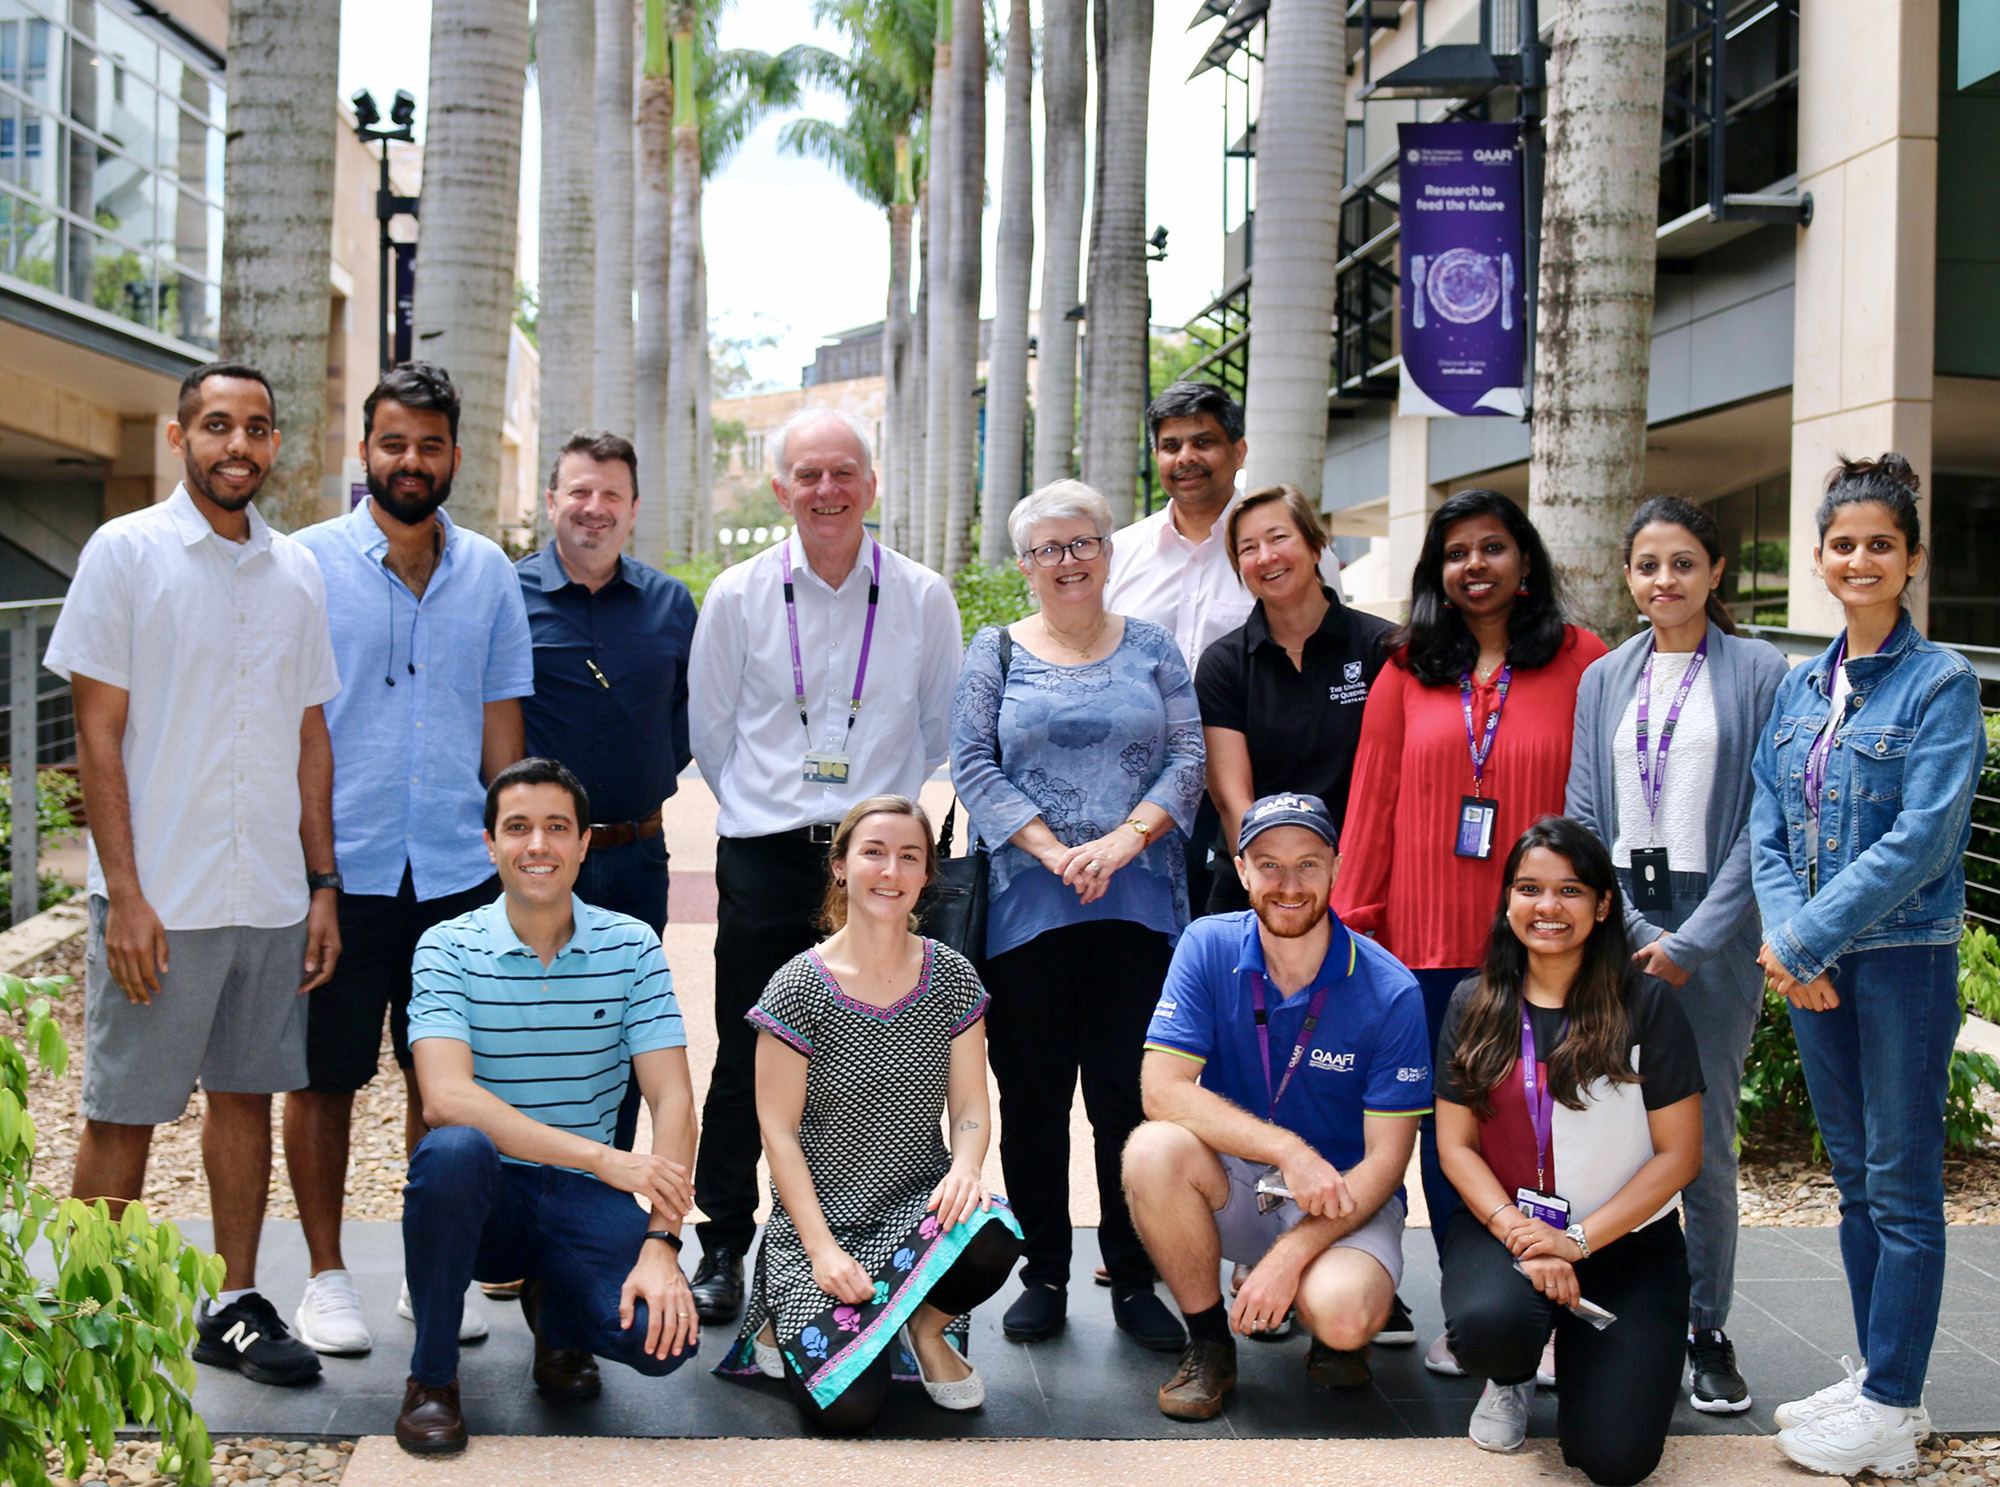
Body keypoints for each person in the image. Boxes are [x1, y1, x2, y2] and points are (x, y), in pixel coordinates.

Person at [48, 361, 337, 1388]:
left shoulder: (296, 571)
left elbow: (311, 738)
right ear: (181, 438)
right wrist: (125, 893)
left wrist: (320, 885)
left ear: (272, 444)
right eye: (218, 425)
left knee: (246, 1098)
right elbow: (96, 733)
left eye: (256, 427)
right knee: (122, 1110)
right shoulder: (123, 552)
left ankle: (234, 1305)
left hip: (264, 892)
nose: (238, 445)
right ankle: (83, 1326)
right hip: (158, 896)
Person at [687, 408, 962, 1326]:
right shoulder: (737, 594)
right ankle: (723, 1238)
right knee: (744, 1046)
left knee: (878, 1055)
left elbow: (936, 726)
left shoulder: (922, 596)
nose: (828, 491)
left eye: (844, 472)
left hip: (877, 857)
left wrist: (869, 834)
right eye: (808, 476)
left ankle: (868, 1229)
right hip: (767, 854)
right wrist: (778, 809)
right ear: (781, 490)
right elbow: (712, 735)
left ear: (870, 484)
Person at [287, 361, 533, 1356]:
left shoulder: (488, 574)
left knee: (445, 1086)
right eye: (394, 442)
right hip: (338, 875)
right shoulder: (304, 564)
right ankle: (322, 1275)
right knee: (323, 1078)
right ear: (365, 449)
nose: (411, 461)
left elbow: (501, 726)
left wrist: (517, 868)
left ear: (455, 457)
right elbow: (293, 725)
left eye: (430, 445)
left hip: (455, 874)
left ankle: (431, 1268)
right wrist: (313, 878)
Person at [1749, 455, 1986, 1480]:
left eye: (1878, 544)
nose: (1858, 558)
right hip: (1816, 965)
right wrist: (1788, 935)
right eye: (1841, 543)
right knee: (1851, 1183)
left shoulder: (1940, 683)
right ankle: (1878, 1369)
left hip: (1898, 965)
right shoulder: (1802, 682)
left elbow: (1921, 841)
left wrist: (1800, 940)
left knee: (1899, 1188)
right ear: (1819, 557)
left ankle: (1890, 1406)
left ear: (1910, 558)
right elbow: (1763, 817)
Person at [1332, 488, 1607, 1369]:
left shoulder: (1580, 660)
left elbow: (1600, 806)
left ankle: (1553, 1297)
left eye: (1493, 547)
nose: (1475, 565)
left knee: (1539, 1127)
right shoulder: (1408, 666)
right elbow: (1372, 806)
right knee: (1443, 1137)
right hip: (1422, 947)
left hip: (1545, 946)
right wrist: (1352, 929)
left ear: (1525, 561)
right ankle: (1471, 1308)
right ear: (1437, 574)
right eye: (1456, 553)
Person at [950, 479, 1205, 1352]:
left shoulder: (1155, 647)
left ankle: (1134, 1276)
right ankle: (1046, 1272)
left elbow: (1188, 756)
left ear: (1107, 550)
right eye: (1047, 548)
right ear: (1024, 564)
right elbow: (973, 765)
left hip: (1137, 910)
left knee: (1127, 1101)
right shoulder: (995, 651)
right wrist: (1057, 851)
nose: (1066, 561)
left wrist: (1124, 843)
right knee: (1031, 1101)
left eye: (1081, 543)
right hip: (1028, 914)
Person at [393, 758, 701, 1454]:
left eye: (557, 827)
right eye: (518, 827)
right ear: (491, 843)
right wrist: (605, 1156)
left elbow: (674, 1098)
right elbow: (445, 1098)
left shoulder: (632, 945)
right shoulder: (446, 946)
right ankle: (432, 1379)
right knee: (454, 1149)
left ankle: (557, 1316)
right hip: (487, 1193)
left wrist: (662, 1241)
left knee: (661, 1342)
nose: (539, 845)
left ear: (584, 842)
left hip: (579, 1196)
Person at [1565, 496, 1787, 1415]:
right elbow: (1584, 811)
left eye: (1684, 563)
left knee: (1706, 1142)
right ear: (1629, 575)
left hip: (1716, 932)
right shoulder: (1605, 677)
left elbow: (1762, 821)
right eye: (1649, 564)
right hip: (1617, 923)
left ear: (1716, 571)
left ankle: (1706, 1326)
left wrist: (1691, 941)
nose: (1666, 580)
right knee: (1609, 1127)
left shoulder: (1762, 670)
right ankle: (1615, 1301)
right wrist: (1626, 934)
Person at [714, 796, 1023, 1432]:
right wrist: (822, 1251)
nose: (891, 870)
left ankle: (925, 1328)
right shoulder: (797, 985)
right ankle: (784, 1308)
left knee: (993, 1227)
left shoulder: (954, 977)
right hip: (820, 1225)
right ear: (840, 867)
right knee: (850, 1413)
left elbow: (968, 1103)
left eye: (909, 856)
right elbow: (777, 1131)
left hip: (916, 1210)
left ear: (926, 874)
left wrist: (966, 1165)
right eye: (873, 852)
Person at [1123, 792, 1430, 1420]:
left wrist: (1289, 1257)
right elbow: (1162, 1090)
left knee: (1344, 1320)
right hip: (1246, 1181)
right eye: (1269, 865)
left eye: (1308, 865)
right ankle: (1210, 1342)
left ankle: (1317, 1307)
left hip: (1340, 1197)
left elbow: (1386, 1165)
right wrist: (1288, 1150)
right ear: (1241, 871)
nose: (1288, 885)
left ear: (1337, 867)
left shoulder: (1392, 989)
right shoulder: (1207, 945)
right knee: (1152, 1149)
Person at [1434, 818, 1704, 1486]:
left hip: (1625, 1242)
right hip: (1507, 1232)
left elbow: (1680, 1156)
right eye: (1529, 888)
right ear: (1506, 900)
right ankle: (1513, 1372)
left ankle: (1586, 1354)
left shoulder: (1647, 1005)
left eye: (1569, 890)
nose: (1547, 907)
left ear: (1603, 904)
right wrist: (1522, 1234)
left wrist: (1576, 1241)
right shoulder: (1474, 1001)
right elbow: (1454, 1144)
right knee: (1489, 1325)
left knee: (1615, 1458)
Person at [516, 430, 697, 1149]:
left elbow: (689, 722)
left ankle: (604, 1199)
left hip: (634, 858)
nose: (595, 508)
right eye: (580, 491)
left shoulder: (670, 604)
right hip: (535, 862)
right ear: (553, 499)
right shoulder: (507, 594)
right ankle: (525, 1213)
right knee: (527, 1031)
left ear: (633, 508)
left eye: (610, 495)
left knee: (623, 1032)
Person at [1105, 382, 1345, 912]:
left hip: (1251, 788)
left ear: (1238, 451)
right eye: (1171, 446)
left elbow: (1327, 650)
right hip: (1136, 792)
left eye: (1203, 441)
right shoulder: (1120, 553)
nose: (1186, 458)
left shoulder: (1283, 549)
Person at [1197, 483, 1393, 916]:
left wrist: (1335, 877)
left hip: (1359, 880)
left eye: (1278, 538)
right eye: (1248, 548)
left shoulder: (1383, 647)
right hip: (1254, 884)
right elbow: (1233, 800)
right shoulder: (1223, 665)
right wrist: (1272, 881)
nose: (1265, 557)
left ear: (1316, 544)